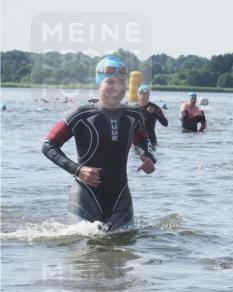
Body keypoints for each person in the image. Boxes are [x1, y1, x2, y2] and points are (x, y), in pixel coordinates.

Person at [42, 56, 156, 230]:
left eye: (121, 82)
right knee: (84, 251)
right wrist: (77, 170)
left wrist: (147, 156)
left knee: (125, 252)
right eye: (110, 82)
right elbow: (48, 146)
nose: (117, 87)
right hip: (85, 199)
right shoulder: (81, 115)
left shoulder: (135, 115)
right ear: (99, 83)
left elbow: (142, 139)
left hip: (121, 200)